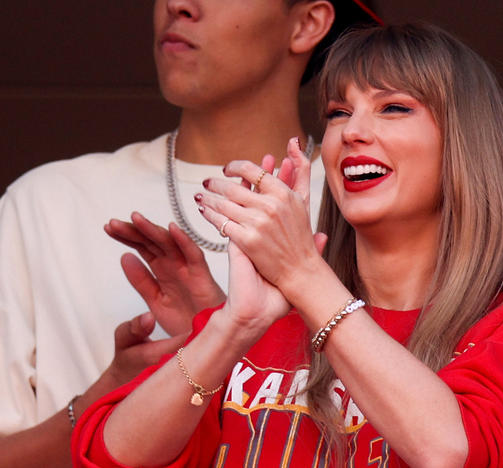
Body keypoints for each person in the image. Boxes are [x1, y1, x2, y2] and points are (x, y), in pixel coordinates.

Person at [73, 23, 503, 467]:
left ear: (462, 146)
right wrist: (234, 326)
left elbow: (449, 451)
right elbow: (107, 454)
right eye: (337, 112)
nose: (352, 132)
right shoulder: (256, 325)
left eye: (393, 108)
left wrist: (303, 273)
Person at [0, 0, 379, 465]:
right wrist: (106, 401)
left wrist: (225, 341)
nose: (177, 4)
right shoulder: (46, 202)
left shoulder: (369, 199)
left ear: (306, 23)